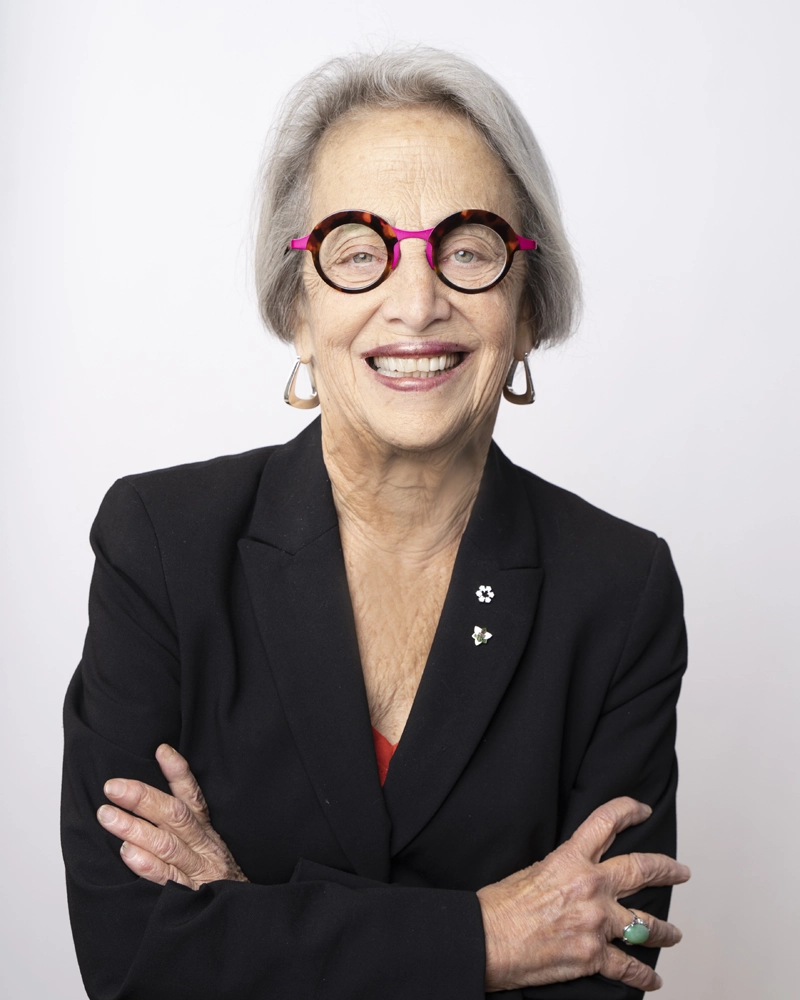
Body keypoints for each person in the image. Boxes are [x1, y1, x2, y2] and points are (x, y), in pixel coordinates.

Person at [61, 47, 690, 1000]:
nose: (416, 300)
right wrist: (485, 936)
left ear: (526, 309)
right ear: (299, 309)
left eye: (469, 249)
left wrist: (244, 914)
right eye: (358, 252)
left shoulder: (621, 589)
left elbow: (609, 969)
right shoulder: (159, 544)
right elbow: (134, 958)